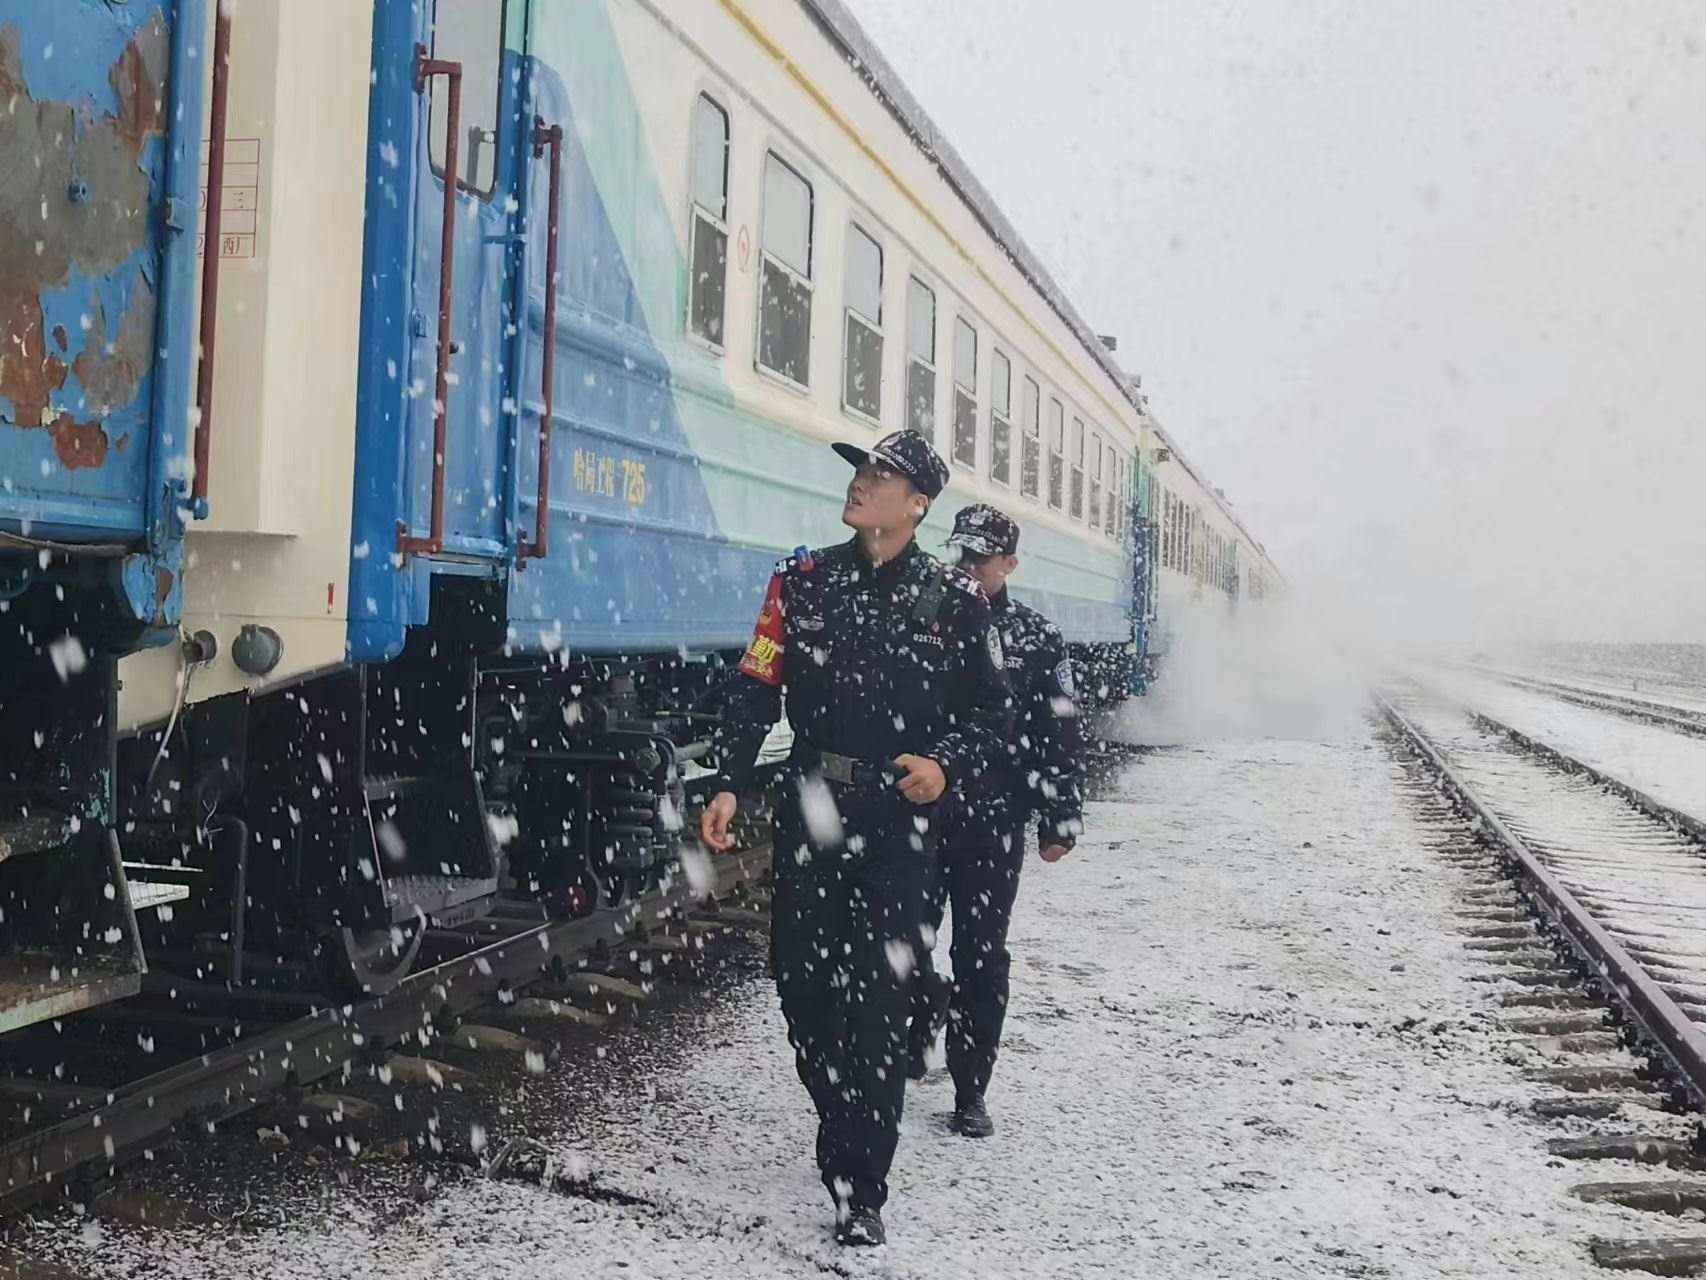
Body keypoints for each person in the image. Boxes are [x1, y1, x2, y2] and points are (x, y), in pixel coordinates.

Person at [699, 429, 1012, 1248]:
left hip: (898, 819)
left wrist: (945, 764)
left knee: (878, 998)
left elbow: (992, 713)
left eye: (882, 475)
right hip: (811, 803)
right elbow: (756, 685)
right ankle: (845, 1115)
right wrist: (729, 779)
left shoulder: (955, 600)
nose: (861, 483)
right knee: (802, 987)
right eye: (861, 470)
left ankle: (859, 1184)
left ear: (918, 505)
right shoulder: (802, 582)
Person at [908, 503, 1085, 1138]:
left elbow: (1059, 729)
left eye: (980, 559)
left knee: (981, 955)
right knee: (904, 939)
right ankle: (924, 1006)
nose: (967, 567)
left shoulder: (1037, 638)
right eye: (959, 554)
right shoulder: (924, 619)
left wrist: (1060, 813)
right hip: (920, 813)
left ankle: (969, 1088)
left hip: (992, 820)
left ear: (1009, 563)